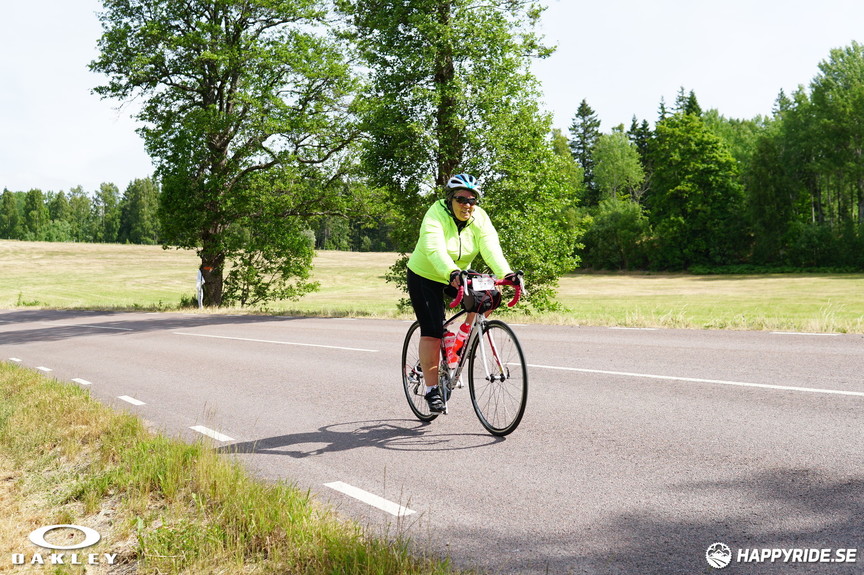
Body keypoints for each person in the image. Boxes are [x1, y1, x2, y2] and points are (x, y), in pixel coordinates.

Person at [406, 173, 519, 413]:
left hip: (458, 273)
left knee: (488, 296)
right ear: (450, 199)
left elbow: (491, 247)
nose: (467, 205)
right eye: (461, 199)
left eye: (472, 200)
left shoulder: (480, 218)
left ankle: (461, 338)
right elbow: (434, 249)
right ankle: (431, 390)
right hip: (426, 274)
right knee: (433, 331)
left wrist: (506, 273)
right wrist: (452, 272)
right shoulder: (435, 214)